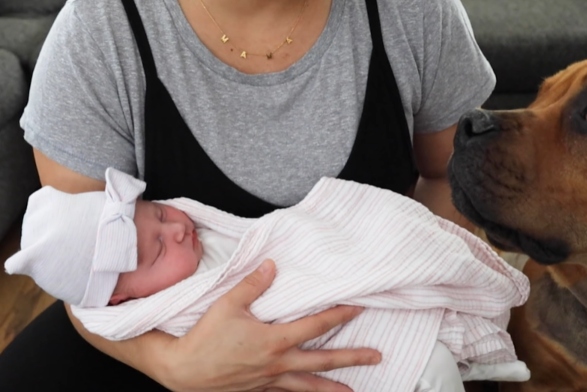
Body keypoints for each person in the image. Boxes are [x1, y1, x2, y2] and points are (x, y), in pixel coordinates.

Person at [0, 0, 496, 390]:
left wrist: (405, 296)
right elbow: (86, 280)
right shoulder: (97, 35)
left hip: (370, 318)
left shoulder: (412, 11)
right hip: (172, 345)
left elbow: (451, 176)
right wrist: (179, 366)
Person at [6, 167, 529, 392]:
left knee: (423, 320)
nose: (176, 229)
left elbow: (282, 243)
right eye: (156, 246)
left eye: (159, 212)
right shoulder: (166, 307)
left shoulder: (410, 17)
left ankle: (485, 354)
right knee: (422, 361)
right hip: (291, 344)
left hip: (335, 288)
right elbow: (88, 304)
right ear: (125, 296)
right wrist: (179, 365)